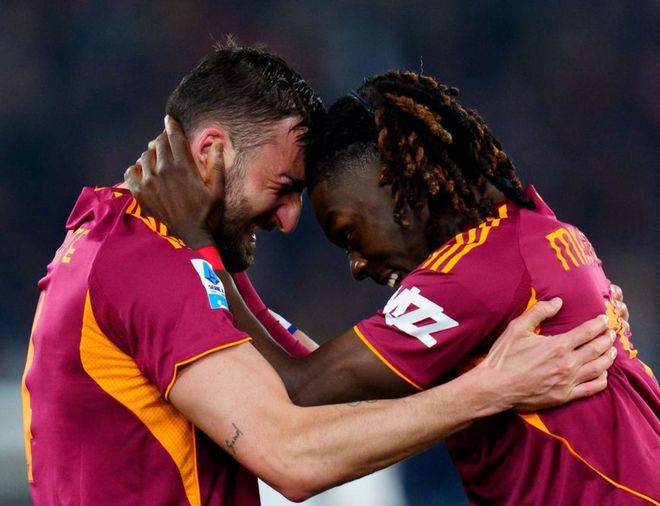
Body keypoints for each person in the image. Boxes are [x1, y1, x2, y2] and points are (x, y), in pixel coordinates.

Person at [128, 68, 658, 505]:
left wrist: (201, 243)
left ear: (397, 184)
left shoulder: (472, 275)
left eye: (350, 234)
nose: (357, 265)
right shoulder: (530, 233)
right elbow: (336, 389)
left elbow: (300, 390)